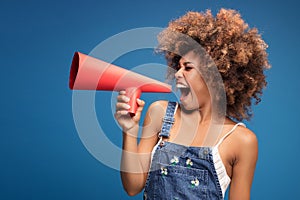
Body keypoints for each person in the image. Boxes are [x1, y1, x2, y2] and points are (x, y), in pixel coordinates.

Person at [114, 8, 270, 200]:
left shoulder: (241, 140)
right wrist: (129, 130)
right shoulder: (160, 113)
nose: (178, 74)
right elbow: (132, 187)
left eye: (188, 68)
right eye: (178, 67)